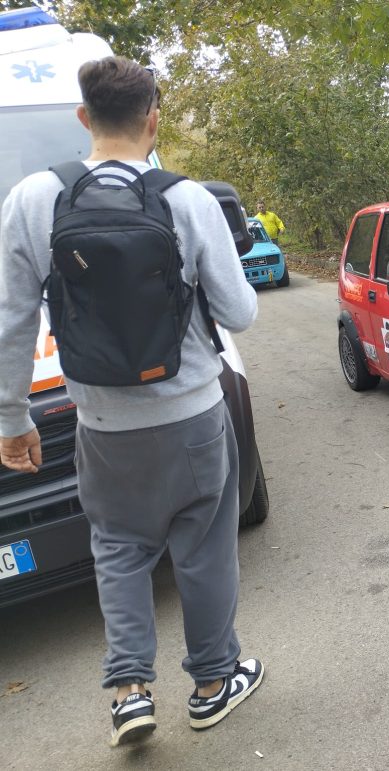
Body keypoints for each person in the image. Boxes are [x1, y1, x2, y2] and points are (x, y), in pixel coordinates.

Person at [0, 57, 263, 747]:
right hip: (193, 418)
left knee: (117, 549)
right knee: (204, 549)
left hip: (101, 428)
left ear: (83, 118)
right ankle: (212, 683)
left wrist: (12, 417)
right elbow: (238, 312)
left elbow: (11, 321)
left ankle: (128, 693)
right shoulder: (187, 200)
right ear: (153, 119)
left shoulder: (32, 200)